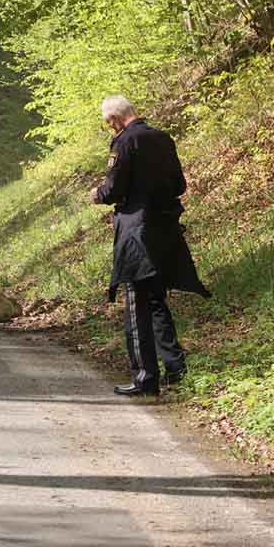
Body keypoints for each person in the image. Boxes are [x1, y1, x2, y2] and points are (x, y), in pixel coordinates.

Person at [91, 95, 210, 397]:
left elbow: (113, 188)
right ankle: (176, 368)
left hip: (137, 234)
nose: (109, 127)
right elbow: (180, 184)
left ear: (114, 119)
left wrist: (98, 194)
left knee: (136, 305)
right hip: (165, 230)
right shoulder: (163, 138)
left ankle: (145, 378)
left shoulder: (124, 142)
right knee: (157, 301)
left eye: (108, 123)